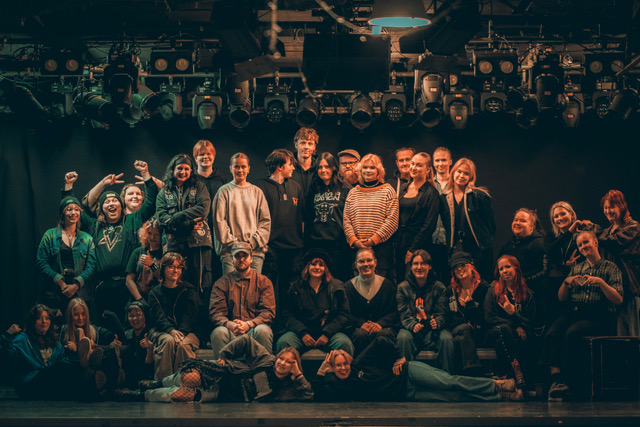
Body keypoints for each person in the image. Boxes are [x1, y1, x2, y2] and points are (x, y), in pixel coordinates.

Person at [63, 162, 158, 321]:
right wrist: (69, 186)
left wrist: (145, 174)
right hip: (101, 288)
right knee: (105, 327)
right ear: (101, 208)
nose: (111, 204)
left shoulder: (131, 220)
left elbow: (150, 201)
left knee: (128, 325)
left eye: (115, 201)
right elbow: (71, 209)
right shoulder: (94, 226)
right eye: (107, 202)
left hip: (127, 285)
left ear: (121, 206)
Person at [540, 230, 623, 401]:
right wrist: (566, 282)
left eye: (586, 242)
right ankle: (557, 380)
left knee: (572, 333)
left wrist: (601, 283)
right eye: (580, 245)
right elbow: (561, 297)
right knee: (552, 333)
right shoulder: (577, 268)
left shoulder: (610, 267)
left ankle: (569, 382)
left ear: (595, 242)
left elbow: (618, 299)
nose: (583, 246)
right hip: (575, 312)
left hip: (598, 315)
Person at [313, 335, 520, 402]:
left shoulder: (359, 363)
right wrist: (322, 369)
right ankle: (501, 396)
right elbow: (319, 395)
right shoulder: (341, 385)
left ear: (349, 361)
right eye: (338, 366)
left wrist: (399, 356)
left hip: (409, 373)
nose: (342, 368)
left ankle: (496, 384)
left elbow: (381, 341)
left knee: (449, 382)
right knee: (453, 397)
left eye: (344, 363)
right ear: (333, 368)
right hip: (408, 393)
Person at [125, 335, 313, 403]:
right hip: (221, 375)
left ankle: (141, 395)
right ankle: (158, 383)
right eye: (281, 359)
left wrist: (298, 374)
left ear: (294, 366)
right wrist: (225, 355)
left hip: (220, 395)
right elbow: (246, 340)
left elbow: (308, 395)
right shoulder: (267, 359)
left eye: (289, 362)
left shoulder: (286, 389)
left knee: (179, 396)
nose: (282, 363)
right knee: (189, 378)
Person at [0, 304, 99, 400]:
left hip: (50, 383)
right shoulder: (22, 339)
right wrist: (8, 335)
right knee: (61, 366)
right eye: (39, 318)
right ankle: (85, 367)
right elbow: (7, 356)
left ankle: (98, 387)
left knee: (76, 385)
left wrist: (74, 353)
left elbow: (64, 360)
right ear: (32, 322)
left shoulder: (55, 342)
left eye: (47, 318)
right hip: (30, 382)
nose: (44, 321)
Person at [156, 154, 212, 302]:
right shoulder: (164, 192)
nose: (183, 172)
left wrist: (176, 217)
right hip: (174, 244)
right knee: (175, 282)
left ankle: (199, 315)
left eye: (187, 169)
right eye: (179, 168)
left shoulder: (199, 186)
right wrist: (189, 223)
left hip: (198, 243)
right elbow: (162, 219)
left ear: (191, 171)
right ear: (173, 170)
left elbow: (203, 209)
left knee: (201, 283)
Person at [257, 149, 305, 322]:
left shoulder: (296, 187)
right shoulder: (260, 188)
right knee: (267, 291)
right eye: (290, 164)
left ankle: (287, 326)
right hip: (271, 248)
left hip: (294, 250)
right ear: (279, 166)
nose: (293, 168)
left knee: (289, 292)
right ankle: (266, 325)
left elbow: (302, 218)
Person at [277, 249, 354, 355]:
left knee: (344, 343)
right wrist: (303, 333)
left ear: (325, 268)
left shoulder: (337, 287)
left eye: (321, 265)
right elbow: (287, 314)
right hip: (301, 333)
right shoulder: (295, 287)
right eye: (313, 264)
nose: (317, 267)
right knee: (284, 342)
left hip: (329, 333)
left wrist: (327, 333)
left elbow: (344, 314)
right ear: (307, 267)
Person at [209, 242, 276, 358]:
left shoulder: (264, 282)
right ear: (232, 259)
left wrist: (249, 324)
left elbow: (268, 312)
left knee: (263, 330)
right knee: (218, 332)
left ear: (251, 258)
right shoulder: (221, 283)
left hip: (254, 330)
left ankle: (263, 368)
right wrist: (230, 324)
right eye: (237, 256)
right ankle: (223, 368)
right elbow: (216, 313)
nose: (241, 259)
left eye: (245, 256)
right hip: (231, 331)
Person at [36, 195, 96, 317]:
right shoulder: (50, 235)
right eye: (69, 209)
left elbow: (91, 266)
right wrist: (60, 282)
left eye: (76, 209)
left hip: (80, 294)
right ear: (62, 213)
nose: (73, 212)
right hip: (55, 293)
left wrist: (76, 285)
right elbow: (41, 262)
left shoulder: (87, 238)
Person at [484, 255, 536, 394]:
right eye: (501, 269)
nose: (504, 271)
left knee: (523, 337)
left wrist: (514, 313)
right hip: (495, 332)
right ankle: (518, 375)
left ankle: (513, 380)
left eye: (507, 266)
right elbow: (489, 318)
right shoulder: (493, 289)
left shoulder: (527, 293)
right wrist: (515, 325)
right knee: (505, 329)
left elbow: (531, 322)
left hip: (514, 336)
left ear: (516, 268)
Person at [212, 152, 271, 274]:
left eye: (243, 167)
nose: (240, 170)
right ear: (230, 168)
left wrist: (252, 242)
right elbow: (219, 221)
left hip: (254, 252)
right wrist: (235, 245)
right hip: (230, 253)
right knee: (231, 285)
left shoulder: (257, 192)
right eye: (236, 167)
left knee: (253, 286)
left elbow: (265, 222)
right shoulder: (223, 192)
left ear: (248, 169)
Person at [396, 249, 454, 373]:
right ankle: (406, 378)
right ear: (411, 267)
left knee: (446, 338)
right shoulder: (402, 287)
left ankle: (446, 378)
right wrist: (412, 325)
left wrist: (437, 322)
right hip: (411, 330)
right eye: (415, 264)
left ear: (429, 266)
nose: (419, 267)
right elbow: (403, 314)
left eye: (423, 263)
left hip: (431, 331)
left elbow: (442, 312)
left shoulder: (439, 287)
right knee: (403, 337)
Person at [343, 153, 399, 278]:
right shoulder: (353, 192)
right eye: (365, 167)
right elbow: (346, 220)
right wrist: (354, 240)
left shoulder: (388, 191)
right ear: (360, 170)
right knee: (358, 287)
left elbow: (392, 221)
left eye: (372, 167)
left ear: (379, 171)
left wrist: (373, 240)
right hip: (358, 250)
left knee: (380, 287)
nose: (368, 170)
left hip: (382, 252)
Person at [441, 158, 496, 279]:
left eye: (466, 173)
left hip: (478, 249)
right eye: (459, 171)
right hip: (456, 249)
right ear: (453, 172)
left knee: (479, 281)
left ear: (471, 177)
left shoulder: (479, 196)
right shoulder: (444, 198)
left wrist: (484, 243)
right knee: (459, 282)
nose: (461, 176)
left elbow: (491, 224)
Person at [148, 252, 200, 380]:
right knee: (168, 341)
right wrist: (171, 331)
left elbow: (190, 316)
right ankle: (163, 382)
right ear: (163, 269)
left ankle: (185, 382)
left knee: (183, 344)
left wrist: (181, 333)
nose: (175, 270)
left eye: (179, 267)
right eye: (171, 267)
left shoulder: (189, 290)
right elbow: (158, 317)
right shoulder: (154, 292)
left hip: (187, 331)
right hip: (162, 330)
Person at [596, 190, 640, 336]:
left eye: (611, 207)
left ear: (621, 206)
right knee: (613, 334)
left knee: (629, 333)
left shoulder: (633, 227)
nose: (608, 211)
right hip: (610, 287)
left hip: (628, 287)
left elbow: (614, 243)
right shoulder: (607, 231)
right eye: (605, 207)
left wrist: (593, 229)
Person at [304, 152, 353, 281]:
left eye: (327, 166)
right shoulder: (313, 190)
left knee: (339, 281)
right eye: (320, 167)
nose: (323, 170)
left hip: (339, 246)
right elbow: (307, 217)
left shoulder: (345, 189)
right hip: (317, 245)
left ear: (334, 168)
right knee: (319, 282)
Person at [345, 248, 399, 356]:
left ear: (375, 262)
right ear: (355, 264)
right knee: (360, 334)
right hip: (359, 330)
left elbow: (394, 312)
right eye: (361, 261)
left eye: (369, 260)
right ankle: (361, 365)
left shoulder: (387, 285)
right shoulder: (348, 287)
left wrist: (380, 324)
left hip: (383, 328)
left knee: (384, 334)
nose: (366, 264)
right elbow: (345, 314)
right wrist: (361, 323)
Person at [395, 152, 440, 281]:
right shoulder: (403, 187)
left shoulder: (431, 193)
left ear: (427, 169)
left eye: (419, 165)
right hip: (399, 243)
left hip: (419, 246)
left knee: (416, 281)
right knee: (399, 280)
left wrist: (412, 249)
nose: (413, 167)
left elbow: (429, 225)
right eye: (413, 164)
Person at [443, 251, 490, 376]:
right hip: (458, 329)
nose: (459, 269)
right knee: (464, 329)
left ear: (471, 267)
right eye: (455, 267)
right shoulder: (451, 291)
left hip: (479, 333)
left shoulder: (483, 288)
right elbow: (448, 318)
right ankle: (475, 372)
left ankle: (463, 377)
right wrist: (466, 322)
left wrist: (470, 305)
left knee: (460, 339)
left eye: (462, 265)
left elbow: (484, 318)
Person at [498, 208, 548, 325]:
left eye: (523, 221)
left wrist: (520, 283)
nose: (517, 223)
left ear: (532, 226)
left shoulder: (539, 244)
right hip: (510, 293)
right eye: (516, 220)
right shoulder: (509, 245)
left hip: (532, 296)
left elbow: (543, 271)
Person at [192, 139, 228, 283]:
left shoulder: (223, 181)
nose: (205, 157)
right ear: (195, 158)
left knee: (219, 272)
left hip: (219, 233)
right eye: (201, 154)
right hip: (197, 233)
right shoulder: (190, 180)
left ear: (213, 156)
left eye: (208, 154)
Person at [544, 202, 580, 325]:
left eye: (563, 214)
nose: (560, 218)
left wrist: (575, 264)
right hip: (553, 285)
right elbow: (550, 250)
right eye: (556, 216)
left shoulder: (581, 235)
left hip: (574, 284)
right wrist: (569, 232)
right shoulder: (551, 235)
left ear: (571, 214)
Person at [125, 218, 163, 303]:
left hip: (158, 300)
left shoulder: (164, 254)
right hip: (138, 299)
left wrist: (151, 265)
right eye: (149, 233)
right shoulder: (138, 252)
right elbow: (129, 280)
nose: (152, 237)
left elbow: (163, 279)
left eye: (156, 234)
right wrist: (140, 299)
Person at [119, 300, 154, 389]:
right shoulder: (127, 334)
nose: (135, 319)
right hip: (129, 374)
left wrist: (150, 349)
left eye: (138, 315)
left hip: (146, 375)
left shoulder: (151, 333)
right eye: (131, 316)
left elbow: (149, 364)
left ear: (145, 316)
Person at [431, 147, 453, 282]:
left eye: (443, 160)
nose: (440, 164)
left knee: (449, 279)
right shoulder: (428, 183)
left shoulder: (456, 183)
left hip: (449, 240)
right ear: (433, 163)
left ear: (450, 162)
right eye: (437, 160)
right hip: (430, 239)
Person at [291, 127, 319, 196]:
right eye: (303, 143)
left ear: (314, 147)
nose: (306, 147)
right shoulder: (288, 167)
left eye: (310, 144)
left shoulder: (319, 168)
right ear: (296, 145)